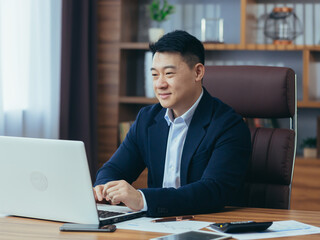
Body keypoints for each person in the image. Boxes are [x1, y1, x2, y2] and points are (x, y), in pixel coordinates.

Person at [94, 30, 251, 217]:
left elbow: (213, 190)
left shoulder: (228, 125)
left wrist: (142, 199)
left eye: (168, 74)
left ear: (198, 72)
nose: (160, 84)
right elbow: (114, 169)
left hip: (205, 225)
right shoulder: (147, 119)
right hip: (155, 225)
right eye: (154, 75)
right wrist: (104, 187)